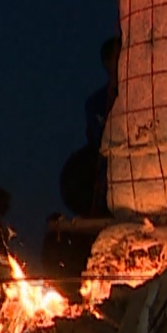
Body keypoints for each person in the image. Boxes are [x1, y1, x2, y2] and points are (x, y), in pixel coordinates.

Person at [59, 37, 119, 218]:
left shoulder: (141, 95)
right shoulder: (97, 102)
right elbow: (101, 141)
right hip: (109, 183)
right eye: (118, 56)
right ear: (107, 63)